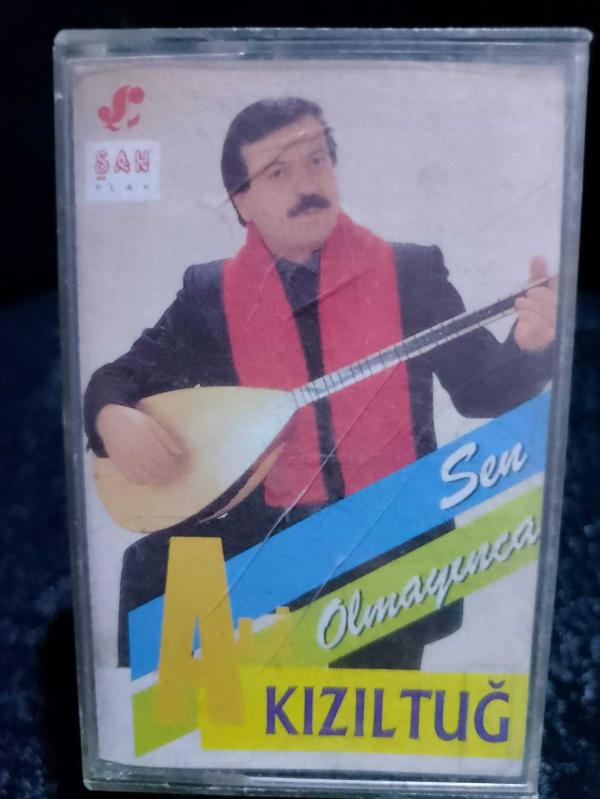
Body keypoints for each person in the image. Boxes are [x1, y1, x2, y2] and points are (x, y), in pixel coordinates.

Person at [84, 97, 557, 668]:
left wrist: (532, 346)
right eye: (277, 173)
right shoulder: (209, 294)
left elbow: (482, 391)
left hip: (383, 552)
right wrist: (112, 416)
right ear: (241, 202)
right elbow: (119, 377)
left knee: (367, 703)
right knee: (155, 582)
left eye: (317, 161)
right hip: (261, 552)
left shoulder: (410, 271)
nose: (307, 184)